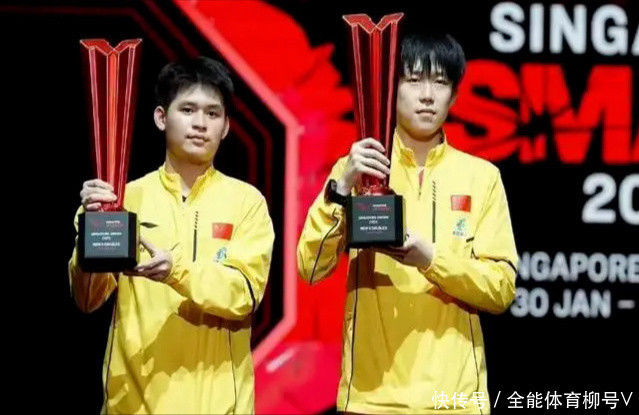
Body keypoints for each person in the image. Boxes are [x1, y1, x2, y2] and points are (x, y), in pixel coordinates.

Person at [297, 33, 518, 414]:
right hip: (371, 400)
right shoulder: (357, 171)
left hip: (454, 402)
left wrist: (431, 259)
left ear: (455, 95)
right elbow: (311, 267)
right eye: (413, 80)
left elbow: (500, 289)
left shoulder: (482, 178)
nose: (427, 95)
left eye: (440, 82)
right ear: (389, 89)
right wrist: (342, 188)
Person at [69, 56, 274, 414]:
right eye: (188, 109)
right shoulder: (124, 200)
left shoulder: (247, 202)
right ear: (161, 117)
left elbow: (243, 294)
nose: (200, 124)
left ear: (226, 126)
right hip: (132, 405)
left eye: (213, 113)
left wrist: (174, 270)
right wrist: (91, 229)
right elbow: (87, 298)